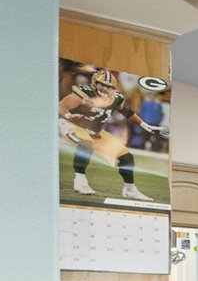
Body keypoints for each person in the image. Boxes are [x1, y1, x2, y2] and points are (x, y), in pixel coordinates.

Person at [58, 62, 152, 201]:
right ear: (94, 83)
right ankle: (80, 180)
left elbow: (127, 112)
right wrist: (68, 115)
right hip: (72, 125)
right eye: (102, 84)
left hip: (95, 131)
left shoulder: (116, 98)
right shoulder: (85, 93)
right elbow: (61, 106)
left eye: (109, 86)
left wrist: (143, 124)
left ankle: (130, 189)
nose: (105, 88)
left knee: (126, 157)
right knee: (86, 144)